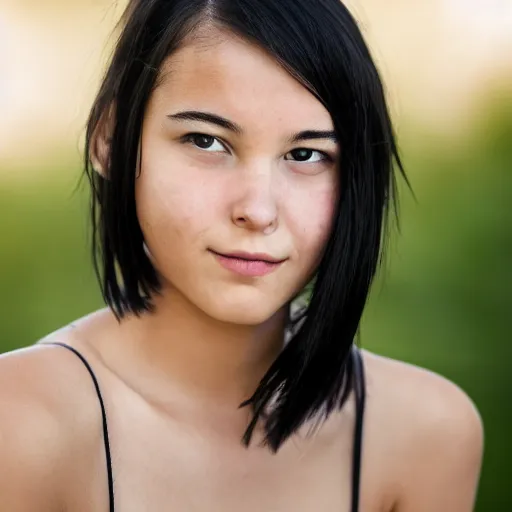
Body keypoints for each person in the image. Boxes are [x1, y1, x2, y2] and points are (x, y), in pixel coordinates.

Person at [0, 1, 483, 510]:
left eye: (305, 155)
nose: (257, 209)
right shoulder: (23, 422)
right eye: (206, 141)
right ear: (110, 140)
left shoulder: (425, 434)